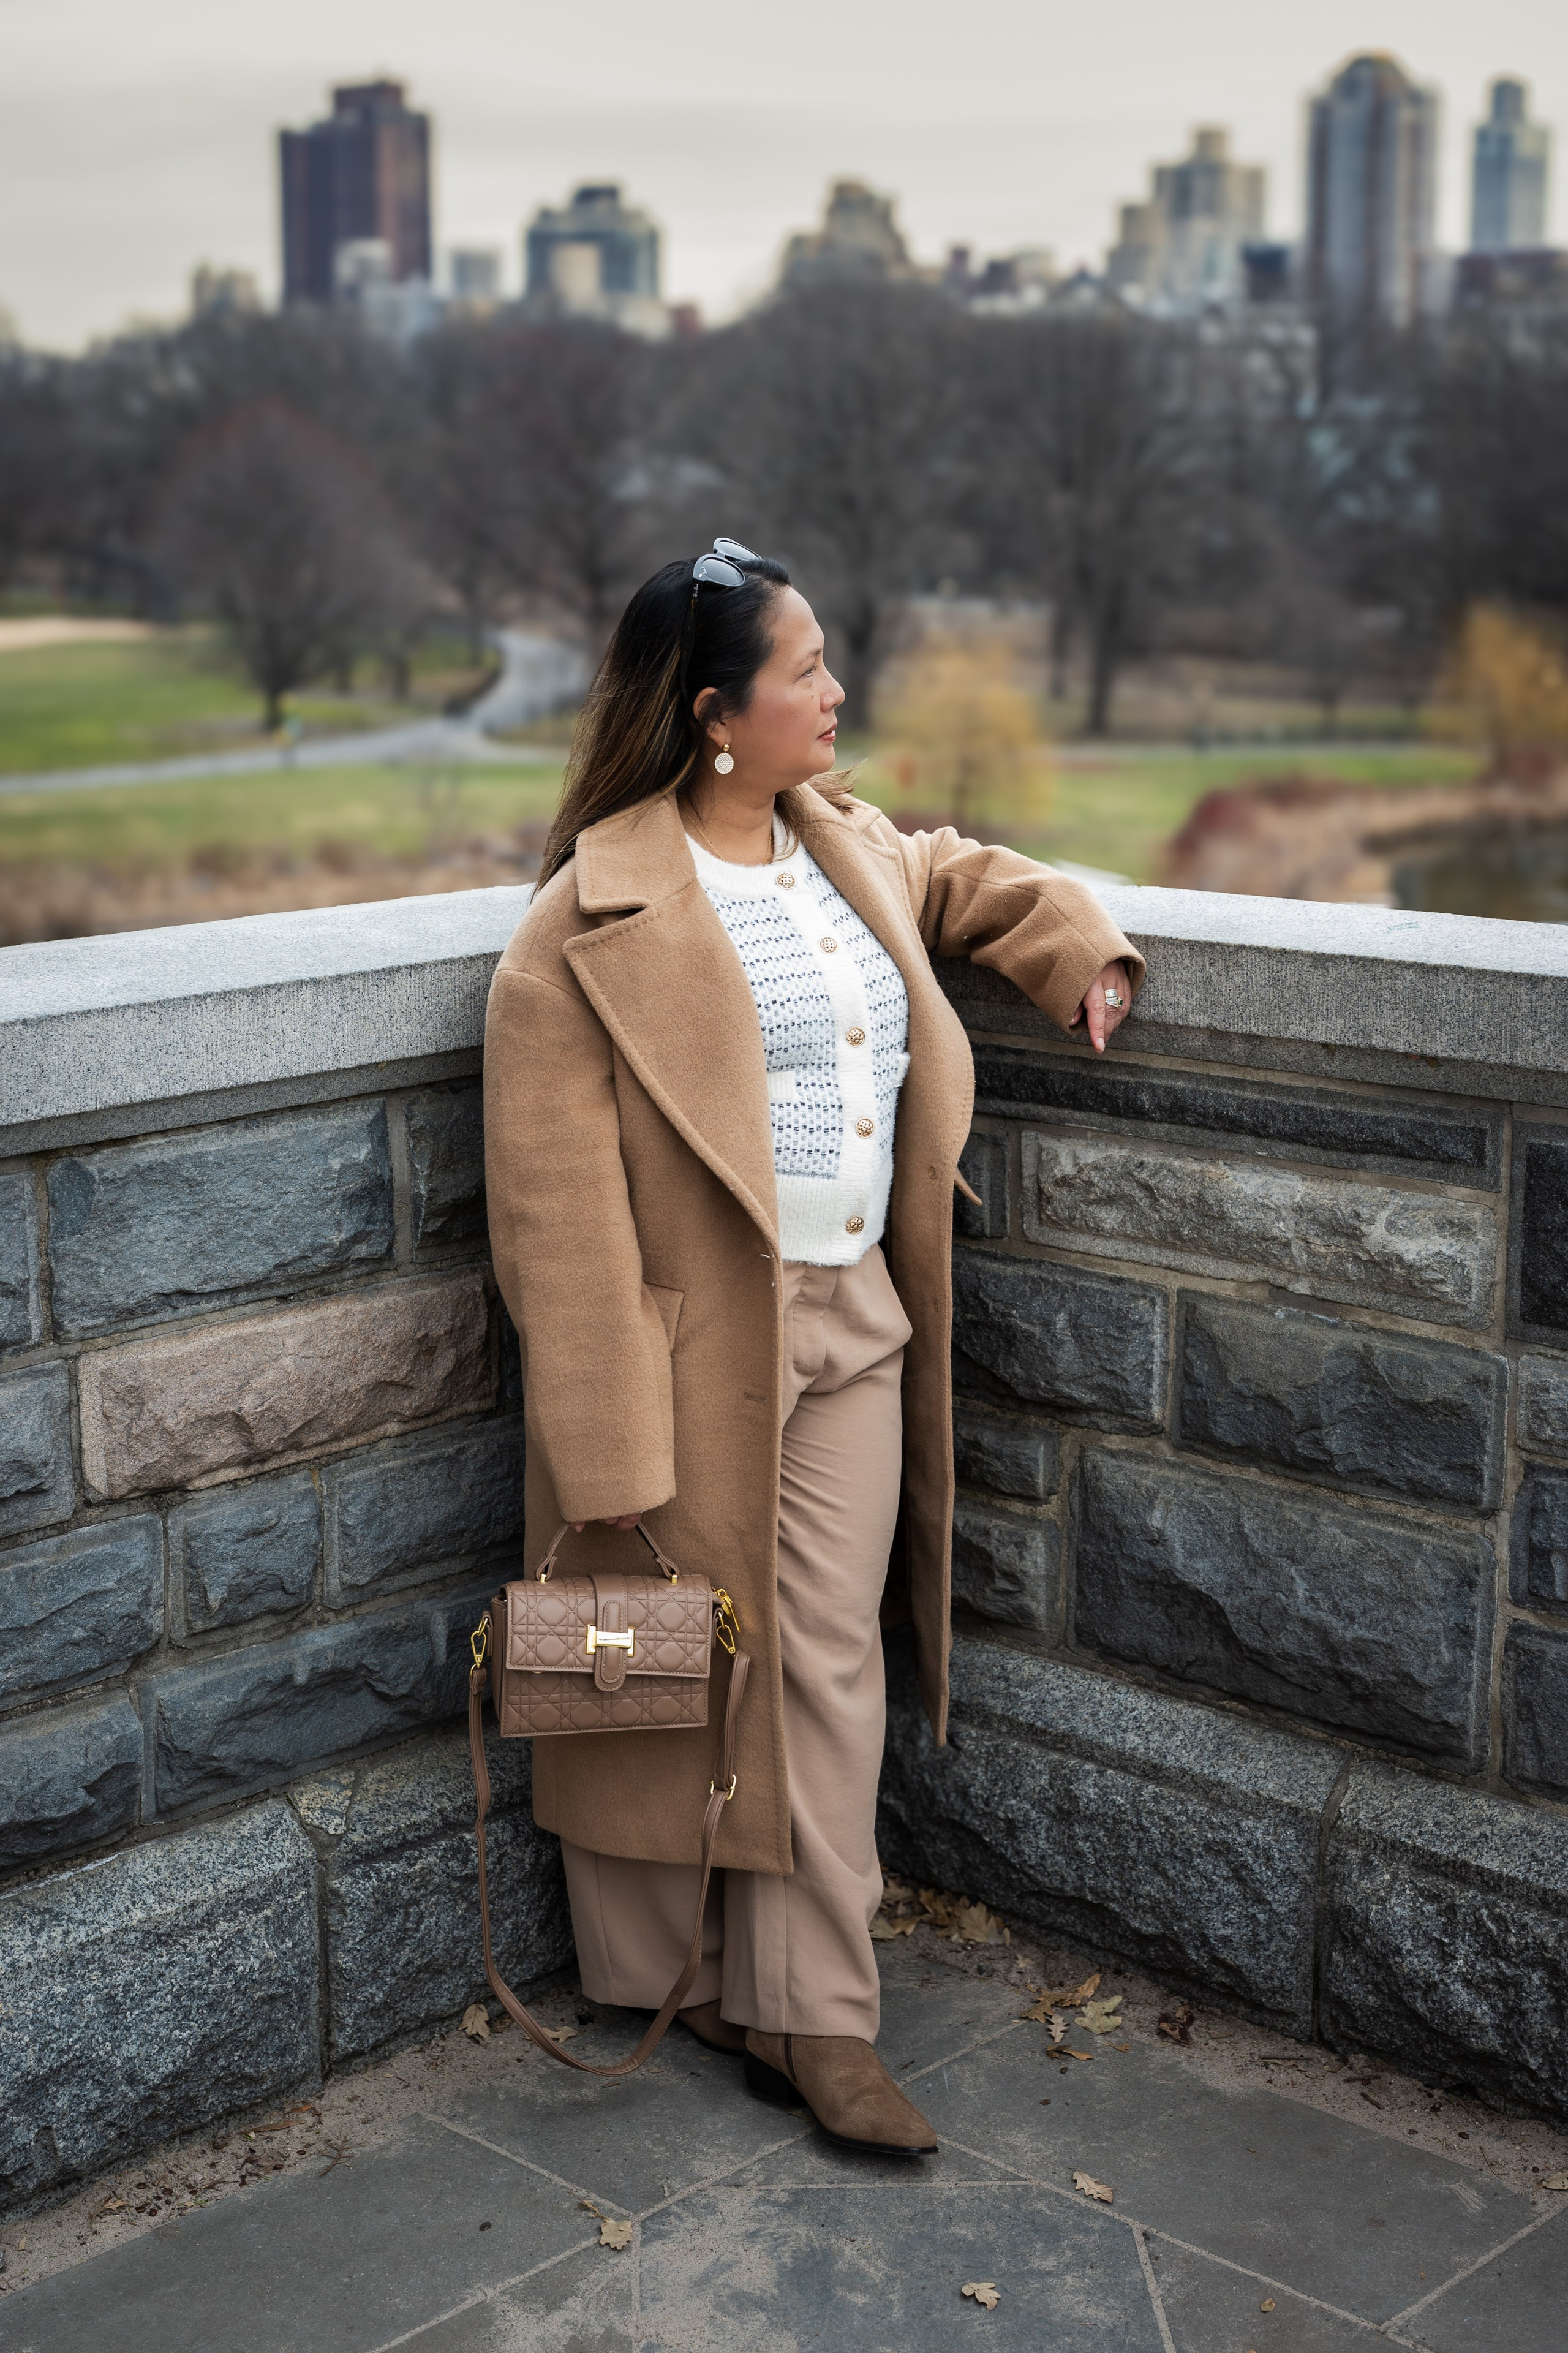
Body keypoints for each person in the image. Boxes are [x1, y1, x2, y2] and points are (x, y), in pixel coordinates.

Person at [483, 540, 1142, 2157]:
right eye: (808, 673)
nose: (838, 693)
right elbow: (557, 1230)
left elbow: (965, 874)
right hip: (686, 1345)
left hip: (855, 1318)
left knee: (831, 1662)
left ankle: (817, 2014)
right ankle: (676, 1974)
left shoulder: (843, 847)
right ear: (717, 715)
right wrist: (613, 1457)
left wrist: (1082, 949)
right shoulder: (583, 923)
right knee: (668, 1662)